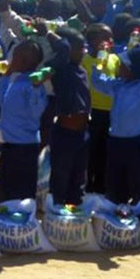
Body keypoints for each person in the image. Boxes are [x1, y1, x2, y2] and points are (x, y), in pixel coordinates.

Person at [92, 43, 140, 204]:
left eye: (123, 65)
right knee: (115, 181)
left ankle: (139, 211)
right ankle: (116, 208)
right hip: (115, 141)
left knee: (138, 183)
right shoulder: (118, 84)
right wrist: (100, 62)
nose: (119, 66)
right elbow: (98, 82)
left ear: (134, 70)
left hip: (136, 143)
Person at [36, 22, 90, 205]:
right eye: (79, 48)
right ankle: (56, 211)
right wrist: (48, 33)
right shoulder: (59, 67)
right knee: (60, 178)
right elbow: (64, 48)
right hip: (65, 134)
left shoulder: (80, 70)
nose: (83, 52)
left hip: (82, 133)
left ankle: (73, 213)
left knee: (78, 178)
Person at [0, 39, 48, 201]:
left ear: (25, 61)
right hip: (8, 144)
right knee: (6, 187)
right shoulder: (15, 81)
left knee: (23, 190)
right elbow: (3, 103)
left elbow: (36, 111)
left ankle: (23, 214)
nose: (12, 59)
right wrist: (5, 77)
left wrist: (36, 88)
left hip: (25, 147)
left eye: (15, 56)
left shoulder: (32, 86)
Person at [81, 23, 119, 194]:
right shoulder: (84, 60)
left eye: (111, 37)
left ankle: (101, 187)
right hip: (92, 112)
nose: (109, 41)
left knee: (105, 151)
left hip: (111, 113)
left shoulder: (115, 59)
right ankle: (87, 186)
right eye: (104, 37)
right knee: (91, 151)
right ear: (92, 41)